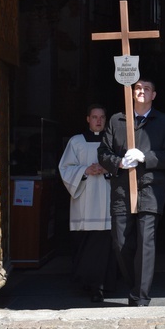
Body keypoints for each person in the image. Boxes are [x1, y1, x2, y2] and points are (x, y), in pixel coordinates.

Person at [98, 79, 165, 307]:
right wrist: (120, 162)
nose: (141, 91)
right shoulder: (117, 121)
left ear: (154, 95)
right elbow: (103, 153)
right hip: (122, 190)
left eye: (146, 89)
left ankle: (140, 297)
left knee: (146, 242)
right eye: (137, 88)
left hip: (150, 189)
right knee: (121, 242)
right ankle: (136, 285)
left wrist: (146, 157)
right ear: (131, 93)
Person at [58, 104, 116, 302]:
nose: (98, 120)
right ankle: (87, 284)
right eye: (94, 117)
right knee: (86, 243)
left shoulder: (113, 141)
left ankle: (103, 285)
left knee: (105, 243)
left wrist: (107, 168)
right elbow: (65, 168)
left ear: (106, 119)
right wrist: (85, 171)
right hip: (84, 200)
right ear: (88, 119)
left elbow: (123, 166)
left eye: (101, 117)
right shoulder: (77, 141)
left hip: (107, 200)